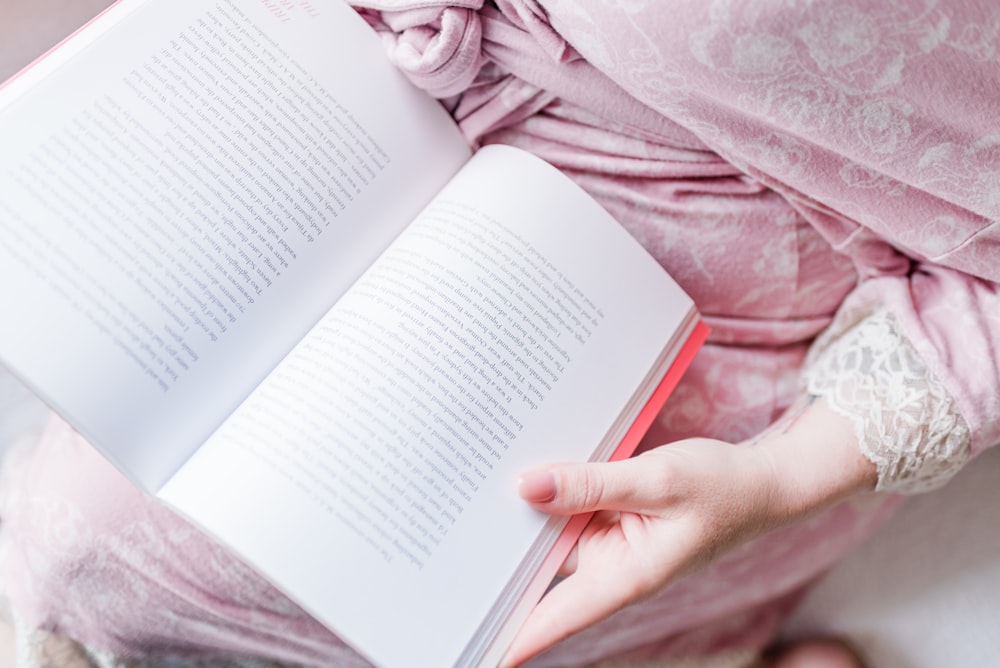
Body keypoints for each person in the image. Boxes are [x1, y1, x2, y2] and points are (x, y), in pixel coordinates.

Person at [2, 1, 998, 667]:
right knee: (87, 532)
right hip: (351, 138)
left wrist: (780, 479)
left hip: (664, 306)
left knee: (117, 544)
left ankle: (698, 631)